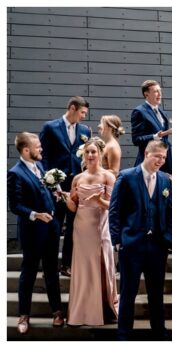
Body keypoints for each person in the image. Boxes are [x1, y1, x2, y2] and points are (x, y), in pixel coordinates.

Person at [109, 140, 172, 340]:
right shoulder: (126, 176)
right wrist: (117, 239)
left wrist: (168, 237)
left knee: (156, 293)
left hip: (157, 246)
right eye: (157, 156)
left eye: (164, 157)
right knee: (128, 292)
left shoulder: (165, 180)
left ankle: (159, 332)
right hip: (131, 244)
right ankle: (123, 334)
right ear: (147, 153)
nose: (161, 160)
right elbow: (114, 210)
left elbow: (170, 211)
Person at [9, 132, 64, 334]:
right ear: (26, 150)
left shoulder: (40, 166)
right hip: (32, 232)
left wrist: (55, 194)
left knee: (51, 271)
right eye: (37, 146)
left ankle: (57, 312)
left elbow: (43, 190)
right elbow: (15, 206)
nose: (41, 149)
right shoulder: (15, 173)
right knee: (29, 273)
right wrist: (35, 215)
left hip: (51, 228)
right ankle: (24, 315)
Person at [64, 137, 119, 326]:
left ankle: (101, 309)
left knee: (99, 266)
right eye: (87, 152)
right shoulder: (77, 178)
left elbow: (112, 206)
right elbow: (73, 207)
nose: (90, 155)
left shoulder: (108, 176)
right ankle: (81, 310)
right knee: (83, 267)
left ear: (101, 154)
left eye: (93, 152)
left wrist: (98, 201)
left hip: (99, 227)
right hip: (81, 227)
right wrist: (66, 199)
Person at [40, 96, 91, 276]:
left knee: (72, 225)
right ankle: (50, 265)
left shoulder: (85, 130)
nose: (84, 116)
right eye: (82, 113)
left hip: (76, 185)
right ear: (72, 108)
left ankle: (67, 264)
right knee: (54, 225)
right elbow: (43, 157)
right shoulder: (50, 127)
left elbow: (86, 159)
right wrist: (50, 183)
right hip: (55, 184)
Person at [131, 80, 172, 175]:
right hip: (148, 165)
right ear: (146, 94)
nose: (159, 94)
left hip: (164, 166)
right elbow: (136, 140)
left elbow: (165, 142)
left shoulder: (163, 113)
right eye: (156, 91)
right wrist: (155, 137)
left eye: (160, 91)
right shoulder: (139, 112)